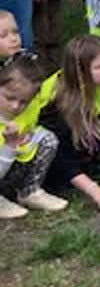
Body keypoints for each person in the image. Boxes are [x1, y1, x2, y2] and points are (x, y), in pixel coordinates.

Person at [38, 36, 100, 212]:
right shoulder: (56, 102)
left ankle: (85, 163)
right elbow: (59, 153)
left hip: (76, 130)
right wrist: (94, 190)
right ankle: (62, 179)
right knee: (59, 150)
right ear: (80, 72)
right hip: (42, 156)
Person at [0, 52, 67, 218]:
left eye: (24, 101)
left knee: (47, 138)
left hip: (8, 165)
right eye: (9, 98)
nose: (15, 106)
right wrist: (10, 146)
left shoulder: (30, 106)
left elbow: (50, 89)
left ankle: (29, 191)